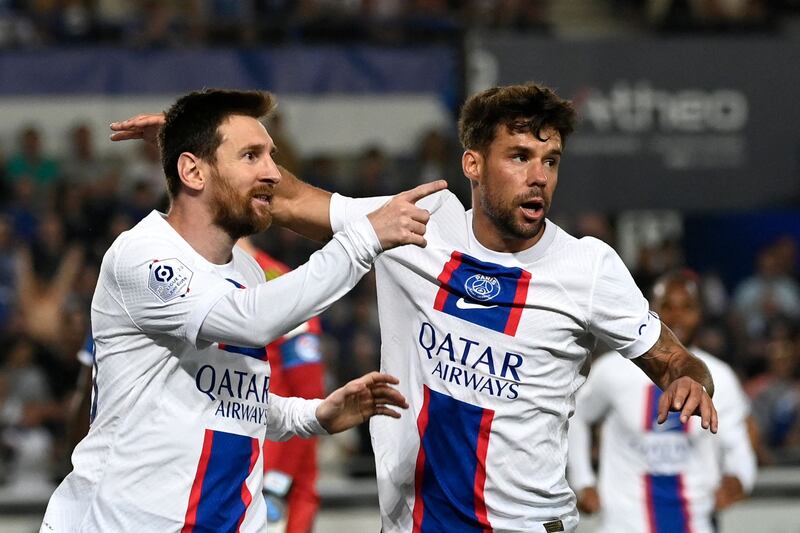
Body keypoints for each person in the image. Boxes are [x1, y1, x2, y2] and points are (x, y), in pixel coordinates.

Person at [111, 82, 718, 533]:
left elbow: (677, 362)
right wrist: (202, 148)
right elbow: (291, 197)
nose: (538, 177)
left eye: (550, 160)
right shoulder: (418, 225)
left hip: (527, 525)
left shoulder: (589, 268)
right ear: (473, 164)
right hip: (412, 523)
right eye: (519, 157)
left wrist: (691, 380)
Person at [42, 88, 447, 533]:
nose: (274, 173)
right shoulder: (141, 255)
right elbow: (249, 320)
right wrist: (363, 238)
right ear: (193, 171)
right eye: (252, 156)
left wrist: (311, 416)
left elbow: (231, 396)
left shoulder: (248, 272)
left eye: (270, 156)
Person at [567, 270, 757, 533]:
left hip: (697, 523)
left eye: (687, 307)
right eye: (667, 306)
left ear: (700, 313)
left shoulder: (720, 377)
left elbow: (738, 443)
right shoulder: (613, 370)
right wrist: (583, 481)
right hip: (624, 524)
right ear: (651, 311)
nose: (677, 316)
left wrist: (739, 479)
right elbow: (576, 416)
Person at [238, 236, 326, 532]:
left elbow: (311, 398)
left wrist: (279, 482)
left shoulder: (279, 283)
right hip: (228, 468)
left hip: (274, 473)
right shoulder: (194, 280)